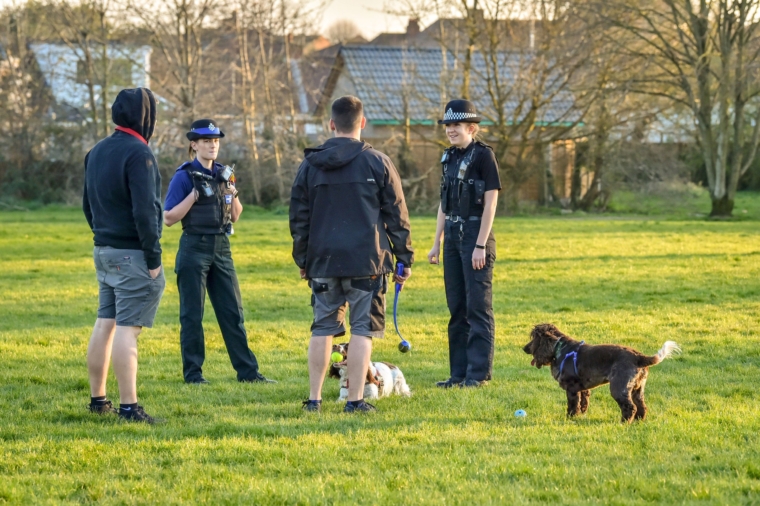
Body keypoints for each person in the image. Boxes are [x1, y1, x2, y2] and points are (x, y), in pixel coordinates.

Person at [290, 95, 414, 413]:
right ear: (363, 122)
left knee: (322, 328)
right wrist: (404, 257)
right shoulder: (379, 162)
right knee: (362, 330)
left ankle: (314, 399)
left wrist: (303, 259)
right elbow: (397, 215)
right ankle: (355, 400)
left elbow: (298, 217)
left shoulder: (309, 165)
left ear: (331, 124)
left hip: (323, 261)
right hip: (367, 262)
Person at [163, 119, 275, 385]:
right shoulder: (184, 175)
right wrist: (193, 196)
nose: (212, 145)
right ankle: (193, 375)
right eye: (206, 141)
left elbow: (235, 216)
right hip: (193, 247)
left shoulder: (225, 173)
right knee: (192, 315)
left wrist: (232, 192)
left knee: (232, 312)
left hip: (222, 247)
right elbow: (168, 218)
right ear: (194, 144)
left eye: (215, 141)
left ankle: (248, 373)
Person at [83, 87, 166, 423]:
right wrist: (154, 257)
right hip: (133, 254)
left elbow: (87, 205)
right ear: (146, 117)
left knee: (105, 322)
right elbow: (146, 212)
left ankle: (98, 400)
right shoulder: (139, 155)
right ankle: (130, 407)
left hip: (103, 250)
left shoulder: (95, 151)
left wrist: (102, 235)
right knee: (127, 329)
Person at [428, 99, 501, 388]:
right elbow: (443, 204)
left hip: (475, 235)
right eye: (448, 125)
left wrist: (480, 244)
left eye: (456, 125)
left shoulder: (484, 156)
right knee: (457, 308)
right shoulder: (448, 158)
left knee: (477, 308)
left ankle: (478, 375)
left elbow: (491, 202)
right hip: (452, 238)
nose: (450, 130)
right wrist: (436, 242)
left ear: (472, 128)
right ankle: (458, 374)